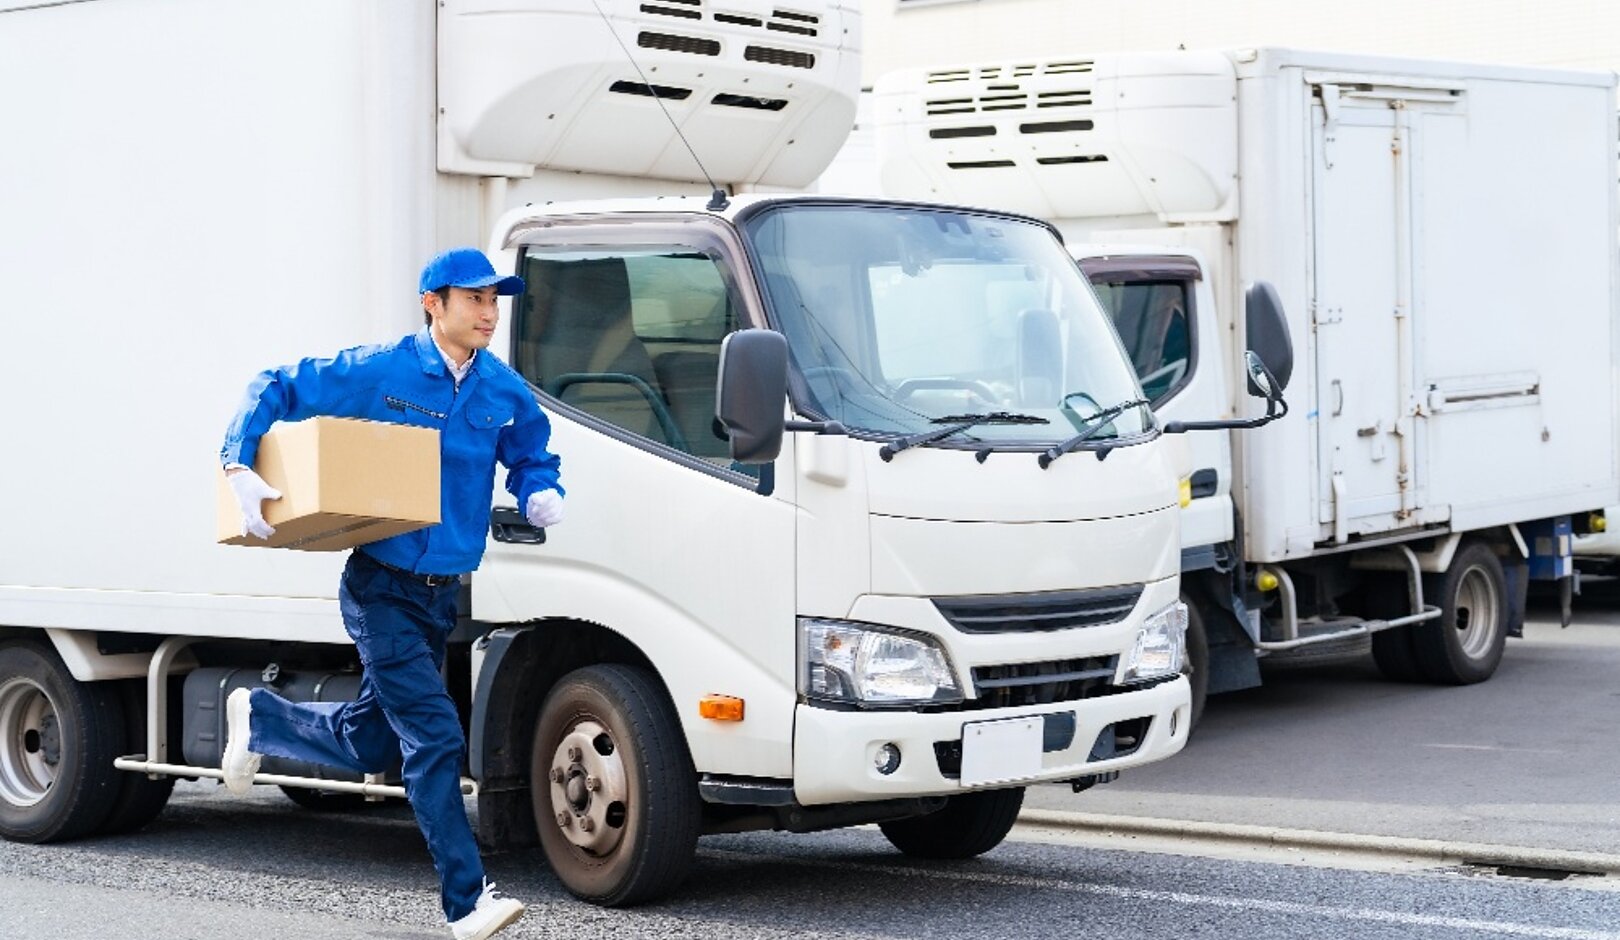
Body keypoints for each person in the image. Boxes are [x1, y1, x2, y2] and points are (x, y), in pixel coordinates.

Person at [218, 247, 564, 940]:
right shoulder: (385, 371)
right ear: (433, 303)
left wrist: (539, 486)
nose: (490, 312)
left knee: (376, 742)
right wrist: (238, 460)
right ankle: (468, 902)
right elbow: (278, 384)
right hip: (381, 588)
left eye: (496, 300)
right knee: (435, 737)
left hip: (442, 597)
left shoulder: (502, 390)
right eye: (474, 299)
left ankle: (260, 718)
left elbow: (531, 449)